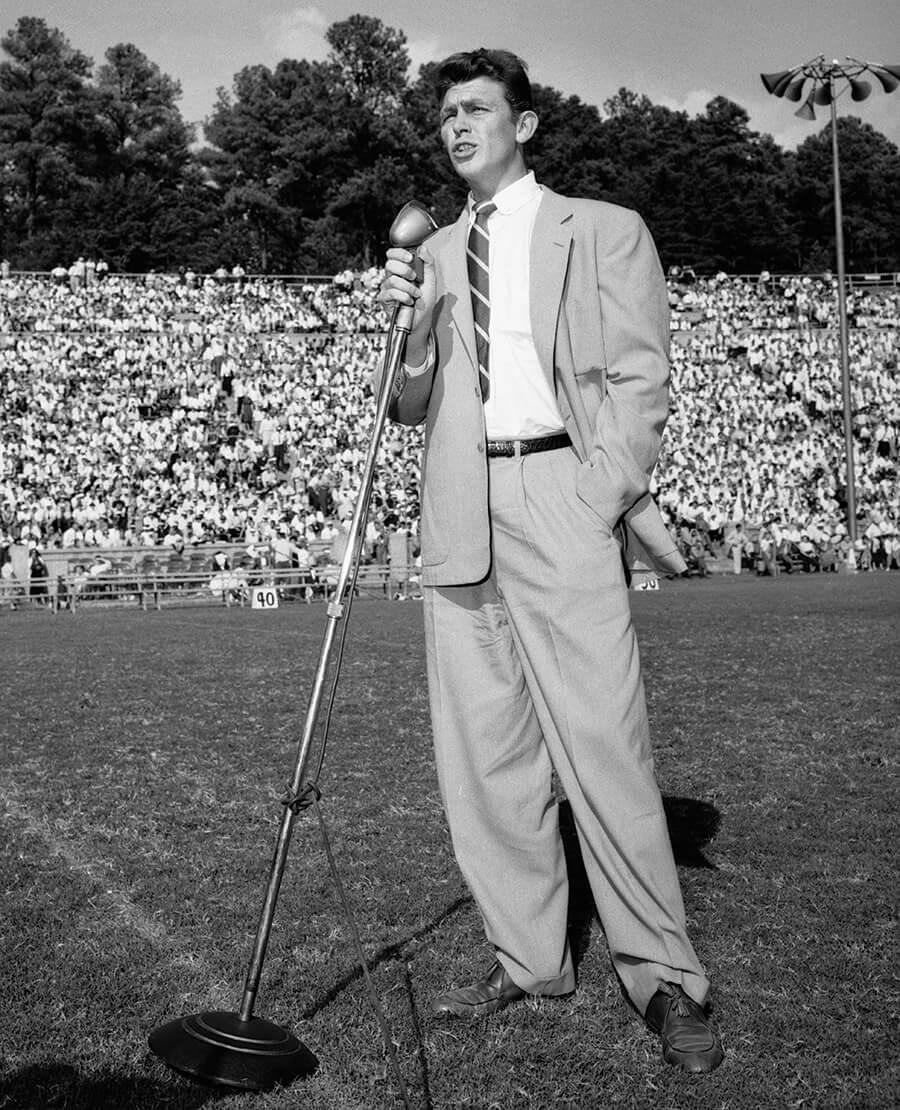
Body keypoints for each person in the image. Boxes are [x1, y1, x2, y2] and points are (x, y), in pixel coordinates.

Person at [378, 48, 723, 1074]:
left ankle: (664, 978)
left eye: (476, 109)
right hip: (459, 506)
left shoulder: (604, 228)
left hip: (560, 491)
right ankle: (529, 961)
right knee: (487, 761)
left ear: (523, 126)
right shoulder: (431, 253)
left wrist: (599, 493)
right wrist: (409, 325)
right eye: (445, 114)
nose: (456, 126)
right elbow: (404, 406)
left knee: (602, 747)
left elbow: (639, 376)